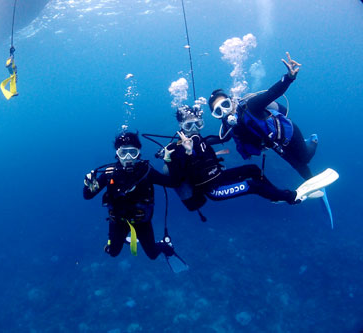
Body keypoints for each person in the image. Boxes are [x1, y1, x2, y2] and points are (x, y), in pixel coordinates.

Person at [162, 105, 335, 219]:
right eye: (188, 126)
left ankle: (274, 195)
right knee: (252, 186)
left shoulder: (202, 140)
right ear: (180, 127)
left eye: (197, 124)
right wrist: (182, 153)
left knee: (253, 169)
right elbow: (176, 180)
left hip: (219, 177)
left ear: (201, 124)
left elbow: (225, 136)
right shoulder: (175, 149)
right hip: (213, 190)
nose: (193, 129)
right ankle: (292, 198)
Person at [208, 52, 317, 180]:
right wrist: (197, 141)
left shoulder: (251, 106)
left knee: (305, 159)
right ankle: (315, 185)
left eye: (225, 104)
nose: (225, 112)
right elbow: (223, 139)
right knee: (297, 165)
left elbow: (272, 93)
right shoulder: (228, 125)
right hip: (273, 143)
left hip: (289, 134)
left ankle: (314, 140)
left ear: (231, 101)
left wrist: (289, 77)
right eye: (218, 111)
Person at [83, 131, 177, 260]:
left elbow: (172, 182)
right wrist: (88, 186)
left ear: (138, 153)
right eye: (123, 153)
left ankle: (163, 245)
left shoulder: (146, 171)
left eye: (132, 153)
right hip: (118, 222)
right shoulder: (109, 174)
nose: (128, 157)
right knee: (112, 252)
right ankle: (124, 239)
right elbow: (87, 195)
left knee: (153, 255)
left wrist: (168, 161)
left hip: (142, 222)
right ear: (117, 154)